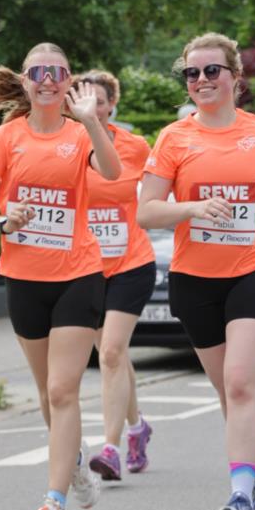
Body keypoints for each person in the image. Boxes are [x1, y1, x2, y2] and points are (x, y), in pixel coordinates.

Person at [137, 32, 255, 510]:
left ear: (235, 77)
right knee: (226, 391)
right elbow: (146, 210)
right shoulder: (174, 138)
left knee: (240, 383)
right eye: (191, 73)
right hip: (196, 278)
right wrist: (190, 208)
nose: (200, 81)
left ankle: (239, 496)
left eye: (211, 71)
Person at [0, 43, 121, 510]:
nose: (47, 79)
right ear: (26, 81)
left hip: (78, 274)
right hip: (24, 277)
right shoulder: (5, 137)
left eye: (56, 72)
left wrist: (90, 120)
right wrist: (4, 222)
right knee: (45, 392)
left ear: (68, 79)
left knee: (62, 389)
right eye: (38, 72)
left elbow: (114, 172)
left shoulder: (80, 135)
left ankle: (53, 502)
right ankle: (73, 465)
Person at [72, 71, 156, 480]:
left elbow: (159, 191)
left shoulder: (135, 147)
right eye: (85, 98)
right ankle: (138, 427)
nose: (93, 106)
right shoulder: (65, 147)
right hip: (85, 267)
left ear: (111, 105)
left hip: (131, 263)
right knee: (114, 355)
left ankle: (111, 448)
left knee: (108, 354)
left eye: (100, 100)